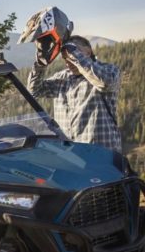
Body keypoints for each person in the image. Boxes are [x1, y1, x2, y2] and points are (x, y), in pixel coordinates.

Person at [24, 16, 122, 152]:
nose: (69, 61)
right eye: (65, 57)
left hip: (101, 154)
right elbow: (34, 90)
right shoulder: (62, 78)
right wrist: (41, 63)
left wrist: (73, 52)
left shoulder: (109, 70)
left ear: (88, 52)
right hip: (70, 156)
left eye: (74, 54)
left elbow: (105, 83)